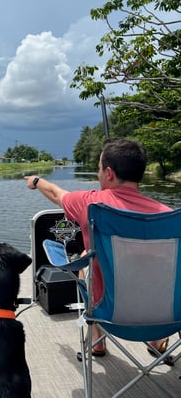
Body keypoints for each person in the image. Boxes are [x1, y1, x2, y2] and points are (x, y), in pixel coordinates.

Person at [25, 137, 172, 356]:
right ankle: (155, 337)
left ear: (109, 173)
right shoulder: (169, 216)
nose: (98, 174)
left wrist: (37, 181)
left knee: (87, 256)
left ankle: (96, 340)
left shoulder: (90, 203)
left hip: (110, 313)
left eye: (99, 168)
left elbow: (57, 194)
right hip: (168, 316)